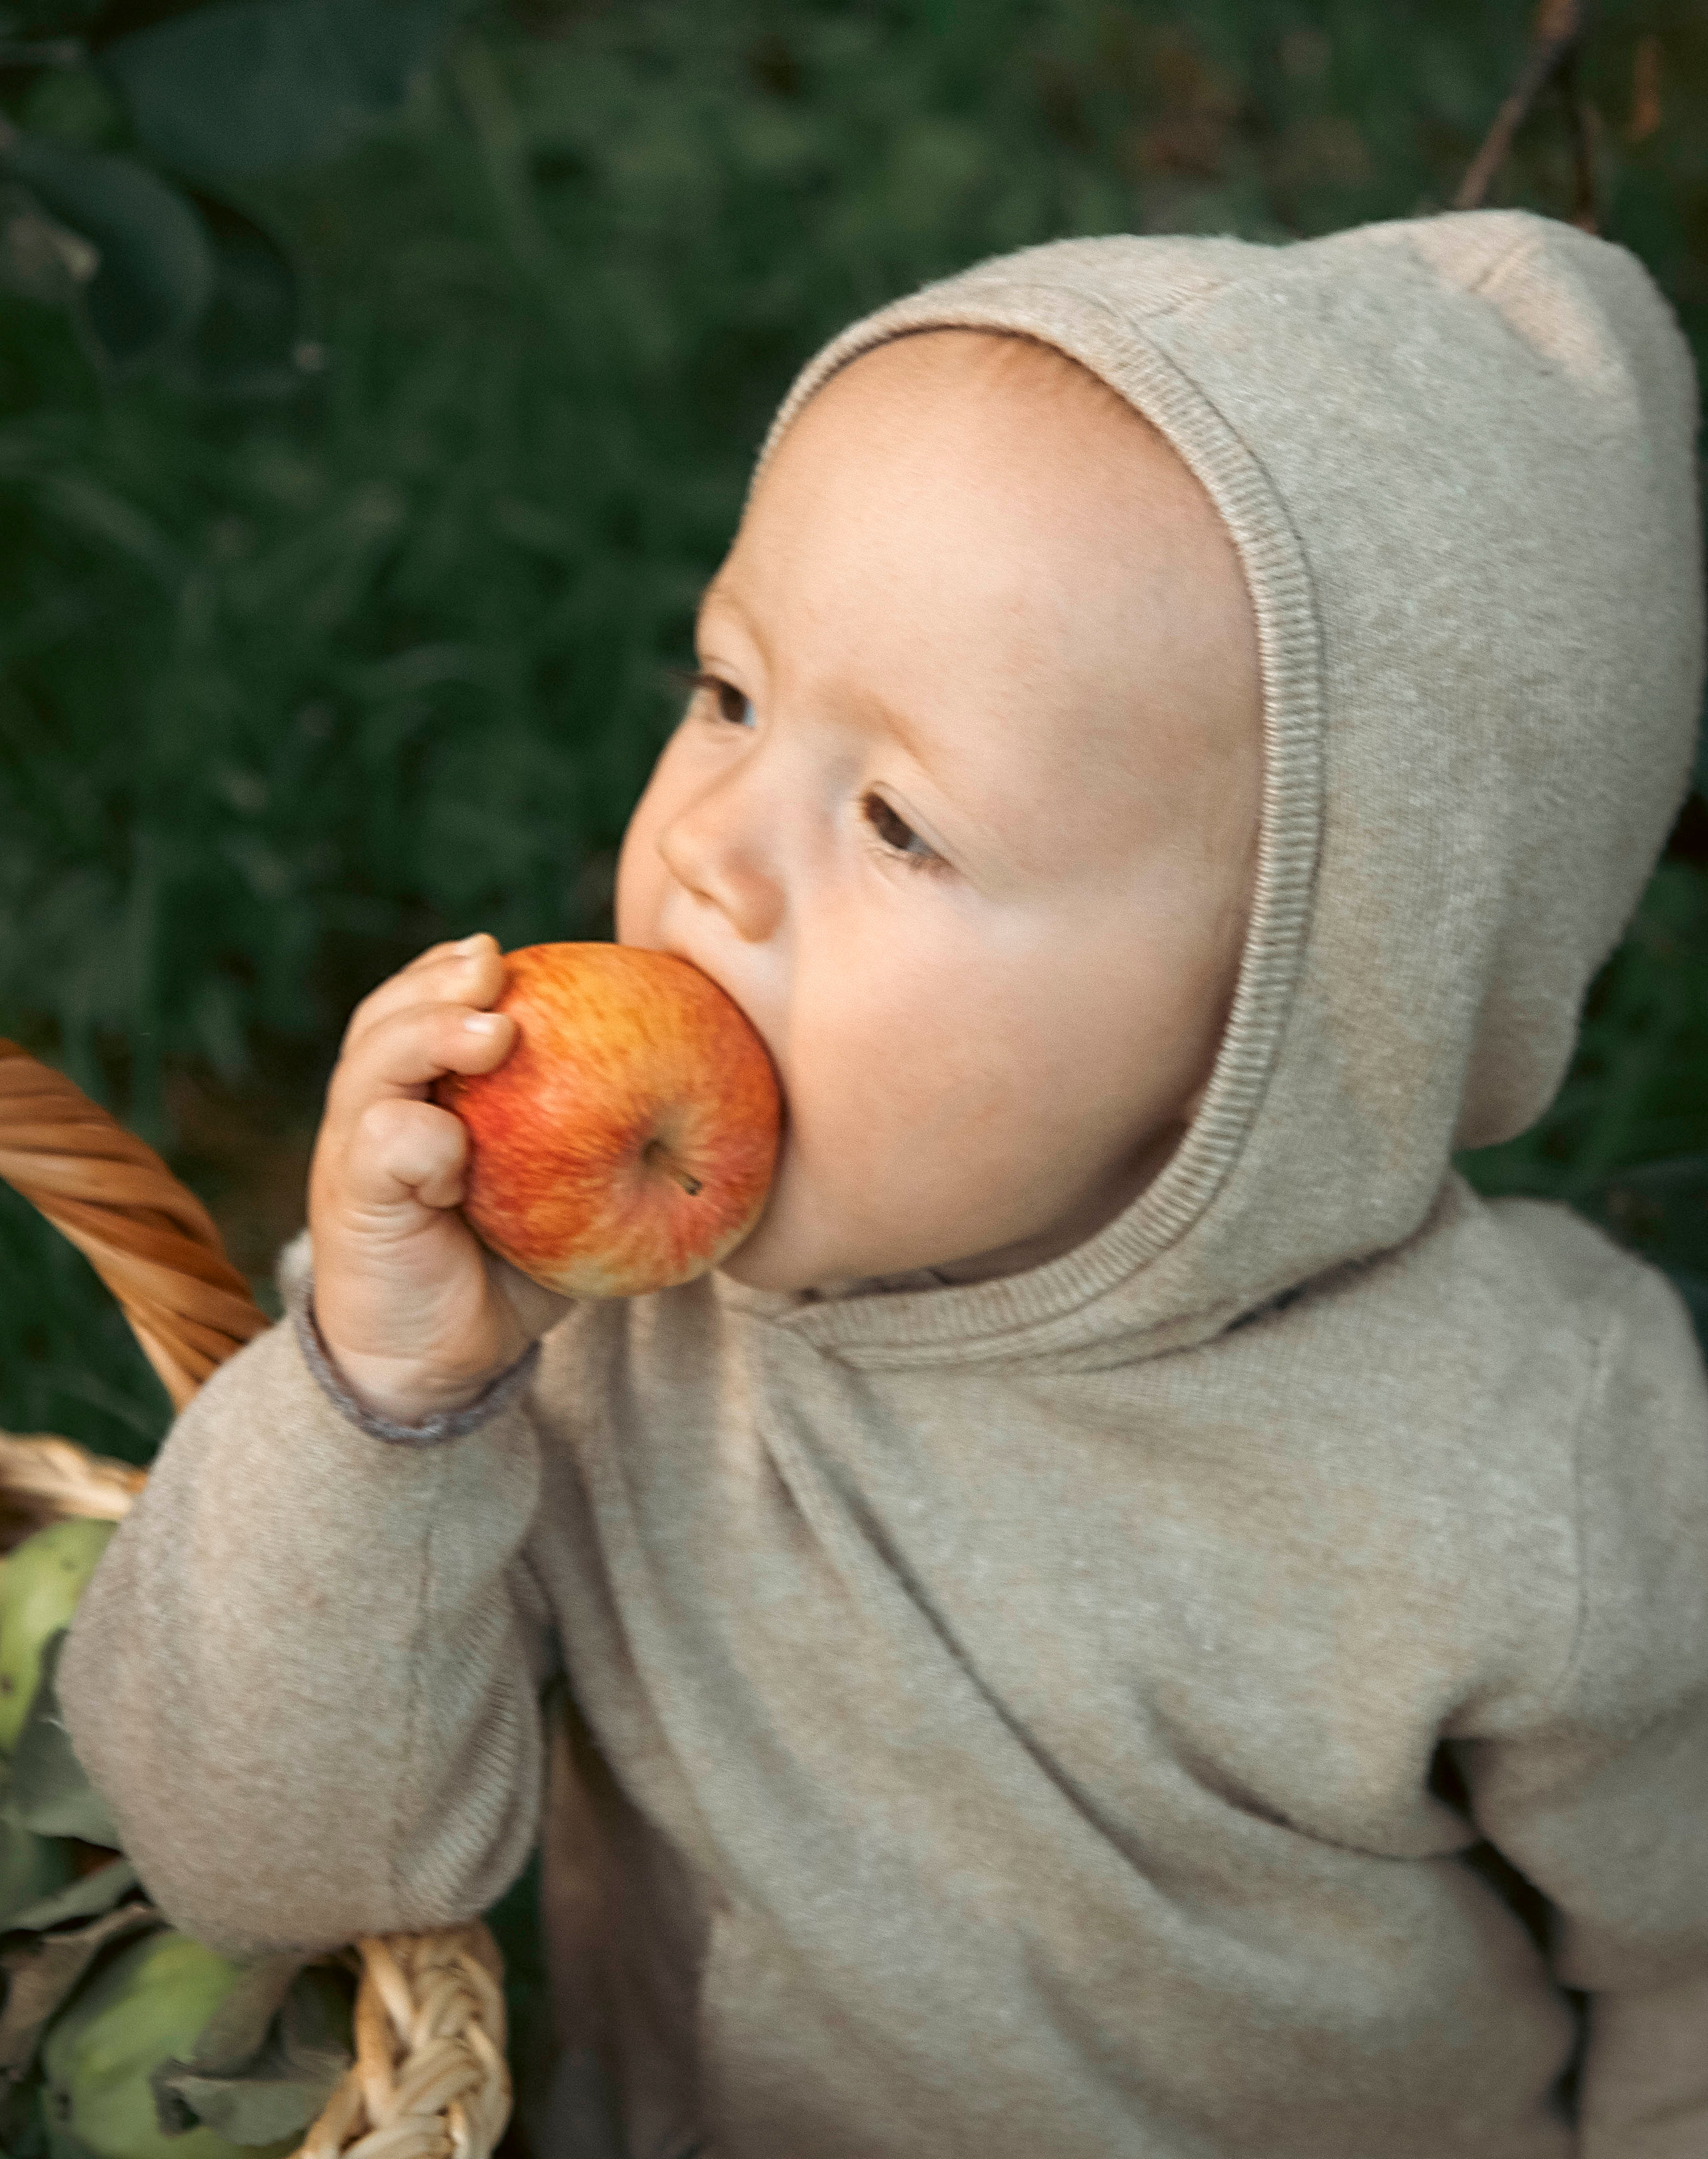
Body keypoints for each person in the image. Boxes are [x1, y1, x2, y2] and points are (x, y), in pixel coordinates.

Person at [63, 211, 1708, 2158]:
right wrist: (383, 1408)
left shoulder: (1532, 1465)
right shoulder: (585, 1335)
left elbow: (1687, 1965)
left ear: (1309, 1016)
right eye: (730, 695)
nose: (712, 853)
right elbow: (263, 1865)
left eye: (902, 824)